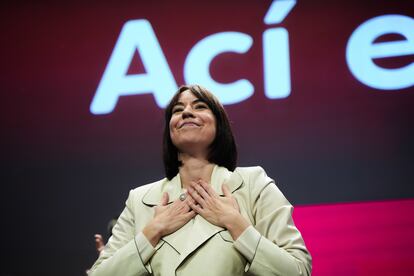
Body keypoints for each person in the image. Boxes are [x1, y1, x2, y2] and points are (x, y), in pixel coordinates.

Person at [88, 84, 312, 276]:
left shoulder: (254, 184)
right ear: (170, 129)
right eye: (178, 109)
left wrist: (236, 223)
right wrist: (153, 230)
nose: (186, 112)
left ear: (219, 124)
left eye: (200, 106)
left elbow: (299, 270)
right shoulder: (140, 200)